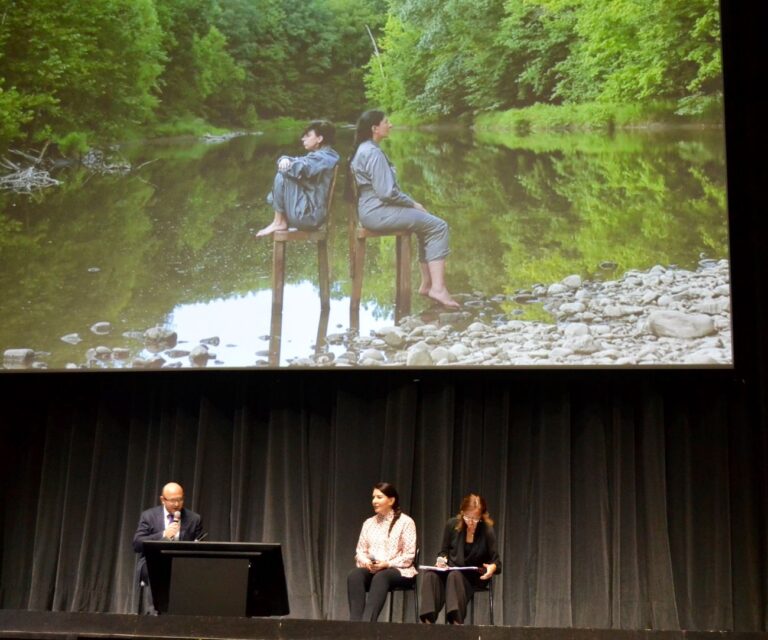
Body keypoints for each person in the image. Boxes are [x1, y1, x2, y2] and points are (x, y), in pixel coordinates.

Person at [348, 110, 460, 309]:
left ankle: (428, 285)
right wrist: (412, 203)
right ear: (375, 128)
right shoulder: (372, 152)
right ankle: (438, 288)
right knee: (439, 226)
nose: (390, 125)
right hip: (378, 212)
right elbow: (386, 193)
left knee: (426, 225)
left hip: (372, 211)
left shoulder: (365, 149)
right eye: (386, 122)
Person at [419, 493, 501, 624]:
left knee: (455, 576)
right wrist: (441, 560)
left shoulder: (487, 530)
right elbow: (443, 552)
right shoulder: (452, 524)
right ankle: (427, 624)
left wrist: (492, 568)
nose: (471, 522)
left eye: (475, 519)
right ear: (462, 513)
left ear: (482, 516)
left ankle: (456, 623)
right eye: (468, 517)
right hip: (451, 570)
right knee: (431, 576)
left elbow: (496, 562)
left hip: (472, 577)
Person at [255, 119, 340, 237]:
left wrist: (286, 162)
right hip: (311, 213)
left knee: (283, 175)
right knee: (285, 171)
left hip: (310, 216)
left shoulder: (324, 158)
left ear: (319, 139)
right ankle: (279, 221)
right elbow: (301, 161)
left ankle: (279, 222)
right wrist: (284, 159)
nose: (303, 139)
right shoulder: (324, 155)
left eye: (308, 135)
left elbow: (302, 166)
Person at [348, 482, 417, 621]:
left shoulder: (406, 522)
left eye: (379, 497)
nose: (374, 501)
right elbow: (360, 551)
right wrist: (367, 562)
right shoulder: (369, 523)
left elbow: (409, 555)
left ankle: (367, 625)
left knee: (382, 577)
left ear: (391, 500)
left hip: (398, 570)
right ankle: (354, 625)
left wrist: (387, 563)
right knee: (354, 575)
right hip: (373, 568)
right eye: (373, 497)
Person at [132, 482, 204, 610]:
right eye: (172, 500)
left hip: (183, 562)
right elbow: (137, 544)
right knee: (158, 572)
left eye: (180, 499)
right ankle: (156, 612)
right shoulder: (149, 516)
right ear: (162, 500)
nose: (177, 504)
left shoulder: (194, 519)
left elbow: (200, 543)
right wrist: (164, 534)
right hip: (153, 561)